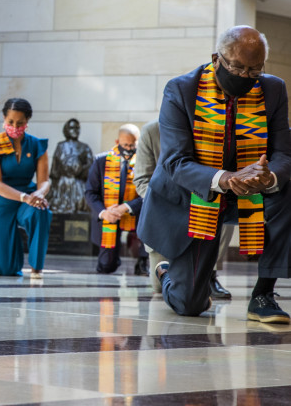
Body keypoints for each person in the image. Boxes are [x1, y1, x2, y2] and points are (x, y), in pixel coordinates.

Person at [138, 25, 291, 324]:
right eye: (237, 67)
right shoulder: (181, 89)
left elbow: (284, 152)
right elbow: (174, 161)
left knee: (287, 185)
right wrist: (225, 178)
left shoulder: (273, 89)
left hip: (249, 191)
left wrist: (267, 176)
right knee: (190, 305)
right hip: (195, 196)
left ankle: (263, 295)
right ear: (216, 59)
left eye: (254, 70)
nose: (245, 77)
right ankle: (167, 270)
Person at [134, 119, 232, 298]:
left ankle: (209, 273)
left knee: (224, 211)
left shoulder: (213, 125)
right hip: (166, 209)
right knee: (160, 288)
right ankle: (168, 274)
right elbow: (141, 180)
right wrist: (167, 204)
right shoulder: (151, 131)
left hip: (204, 204)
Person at [0, 97, 52, 278]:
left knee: (41, 210)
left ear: (27, 121)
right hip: (1, 201)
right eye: (10, 122)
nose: (15, 126)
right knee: (4, 270)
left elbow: (45, 180)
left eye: (20, 122)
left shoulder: (37, 145)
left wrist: (39, 193)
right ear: (4, 119)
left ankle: (37, 267)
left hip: (28, 197)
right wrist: (25, 197)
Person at [85, 124, 148, 275]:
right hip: (109, 212)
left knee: (148, 218)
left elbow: (148, 192)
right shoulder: (101, 161)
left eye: (132, 145)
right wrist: (103, 212)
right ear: (117, 141)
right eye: (125, 145)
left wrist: (127, 207)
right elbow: (90, 192)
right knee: (106, 266)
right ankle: (112, 257)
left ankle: (142, 260)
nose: (128, 148)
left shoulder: (145, 162)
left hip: (134, 210)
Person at [47, 118, 93, 214]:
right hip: (62, 184)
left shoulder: (85, 147)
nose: (75, 130)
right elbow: (55, 169)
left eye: (77, 128)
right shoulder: (60, 146)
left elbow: (90, 166)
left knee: (82, 205)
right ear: (66, 130)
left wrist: (80, 170)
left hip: (79, 184)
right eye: (72, 128)